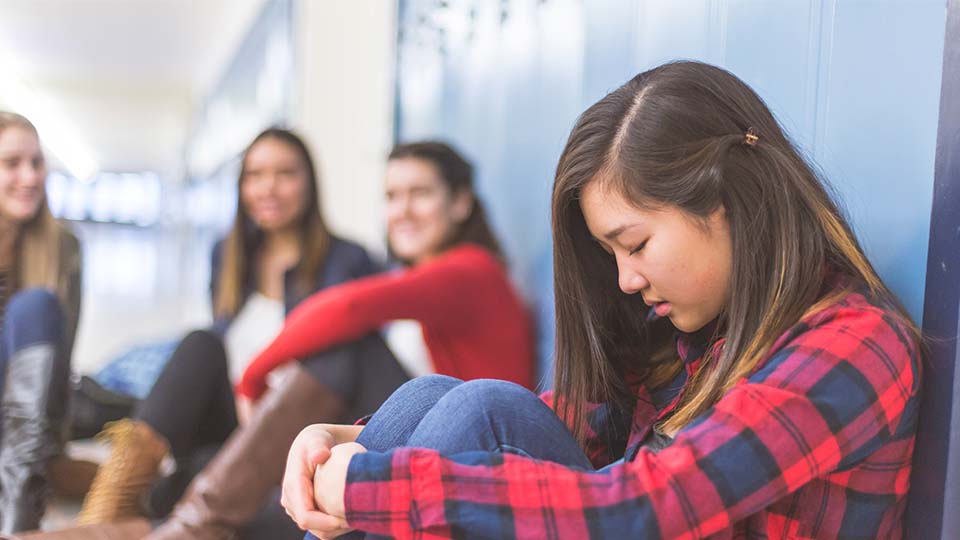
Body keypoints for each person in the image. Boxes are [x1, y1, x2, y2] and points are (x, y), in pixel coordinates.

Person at [282, 61, 923, 540]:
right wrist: (346, 440)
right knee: (438, 397)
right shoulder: (706, 335)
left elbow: (644, 508)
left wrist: (370, 483)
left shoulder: (856, 346)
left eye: (635, 243)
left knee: (480, 405)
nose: (625, 281)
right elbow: (574, 424)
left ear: (728, 202)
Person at [57, 140, 533, 540]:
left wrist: (253, 376)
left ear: (461, 203)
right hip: (402, 443)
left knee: (350, 350)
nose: (402, 210)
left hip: (458, 462)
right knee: (204, 385)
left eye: (420, 193)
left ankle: (181, 525)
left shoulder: (470, 271)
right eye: (392, 195)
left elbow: (346, 308)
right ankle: (141, 517)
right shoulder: (433, 275)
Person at [0, 111, 82, 533]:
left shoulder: (63, 248)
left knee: (35, 307)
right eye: (11, 163)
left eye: (36, 162)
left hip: (26, 435)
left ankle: (17, 517)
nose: (29, 177)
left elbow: (58, 372)